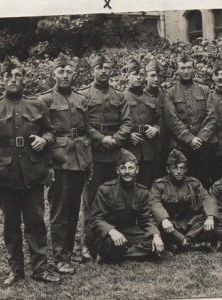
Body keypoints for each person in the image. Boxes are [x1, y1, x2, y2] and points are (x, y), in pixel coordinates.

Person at [0, 56, 60, 285]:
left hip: (33, 174)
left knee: (36, 223)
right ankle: (16, 270)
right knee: (10, 225)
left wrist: (45, 141)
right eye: (8, 76)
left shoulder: (36, 105)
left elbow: (51, 132)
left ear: (24, 79)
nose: (13, 79)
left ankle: (40, 269)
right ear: (2, 81)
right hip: (5, 176)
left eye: (18, 75)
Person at [37, 53, 92, 274]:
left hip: (79, 160)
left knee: (73, 208)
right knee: (59, 211)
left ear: (74, 73)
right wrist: (48, 165)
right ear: (53, 74)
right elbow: (43, 134)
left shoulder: (80, 99)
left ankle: (69, 252)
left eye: (69, 71)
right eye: (61, 71)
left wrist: (87, 162)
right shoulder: (45, 100)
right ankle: (59, 257)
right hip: (59, 161)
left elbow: (86, 133)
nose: (65, 75)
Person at [78, 53, 133, 261]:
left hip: (114, 155)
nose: (103, 71)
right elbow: (83, 124)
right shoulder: (83, 95)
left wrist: (115, 139)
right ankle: (85, 243)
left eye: (107, 67)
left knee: (114, 199)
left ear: (112, 70)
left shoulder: (120, 96)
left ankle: (110, 241)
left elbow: (127, 123)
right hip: (93, 154)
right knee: (90, 201)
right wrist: (101, 139)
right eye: (99, 67)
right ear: (93, 70)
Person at [86, 149, 164, 264]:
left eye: (131, 168)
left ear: (137, 170)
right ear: (117, 170)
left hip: (128, 232)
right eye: (123, 168)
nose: (127, 172)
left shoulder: (142, 192)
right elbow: (96, 219)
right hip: (105, 234)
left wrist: (156, 235)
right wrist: (112, 231)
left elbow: (146, 219)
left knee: (153, 241)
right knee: (110, 243)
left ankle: (118, 256)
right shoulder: (106, 189)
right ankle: (121, 253)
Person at [164, 52, 217, 188]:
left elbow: (212, 116)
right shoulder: (170, 92)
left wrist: (199, 139)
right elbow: (171, 119)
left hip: (203, 146)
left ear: (194, 69)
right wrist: (190, 139)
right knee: (181, 182)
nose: (186, 71)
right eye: (182, 68)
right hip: (181, 146)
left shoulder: (205, 90)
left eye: (189, 68)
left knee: (203, 181)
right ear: (177, 70)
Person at [149, 149, 219, 252]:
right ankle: (189, 244)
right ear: (168, 170)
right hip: (170, 223)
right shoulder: (159, 185)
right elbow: (154, 203)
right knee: (156, 221)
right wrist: (164, 219)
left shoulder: (193, 183)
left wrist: (209, 217)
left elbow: (207, 198)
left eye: (182, 168)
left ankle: (184, 242)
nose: (178, 171)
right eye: (175, 168)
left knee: (206, 217)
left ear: (186, 170)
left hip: (189, 224)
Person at [123, 58, 161, 188]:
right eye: (135, 74)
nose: (138, 78)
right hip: (129, 151)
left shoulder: (151, 98)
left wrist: (155, 129)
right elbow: (116, 124)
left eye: (141, 74)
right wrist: (128, 136)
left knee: (147, 187)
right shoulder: (121, 97)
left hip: (149, 151)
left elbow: (158, 121)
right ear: (128, 76)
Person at [144, 58, 169, 179]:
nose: (156, 79)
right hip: (146, 148)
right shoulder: (140, 96)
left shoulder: (166, 96)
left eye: (159, 76)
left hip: (164, 147)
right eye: (152, 75)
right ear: (146, 77)